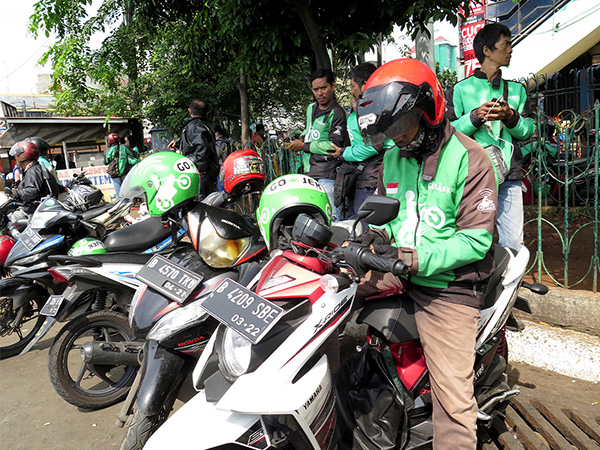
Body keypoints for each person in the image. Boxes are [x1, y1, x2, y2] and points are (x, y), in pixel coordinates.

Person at [355, 58, 498, 449]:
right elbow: (385, 214)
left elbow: (475, 241)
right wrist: (367, 237)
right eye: (390, 131)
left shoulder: (472, 159)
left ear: (429, 109)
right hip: (397, 265)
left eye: (402, 126)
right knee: (321, 300)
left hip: (448, 285)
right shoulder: (392, 157)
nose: (397, 139)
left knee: (453, 399)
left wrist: (416, 258)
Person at [445, 22, 535, 251]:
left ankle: (509, 286)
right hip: (473, 176)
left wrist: (510, 116)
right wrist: (475, 117)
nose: (510, 49)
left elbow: (528, 130)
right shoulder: (460, 89)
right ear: (487, 50)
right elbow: (448, 132)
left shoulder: (517, 91)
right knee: (471, 239)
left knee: (513, 243)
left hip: (509, 176)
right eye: (505, 44)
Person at [330, 63, 394, 219]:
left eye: (353, 86)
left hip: (373, 176)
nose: (352, 91)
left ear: (365, 84)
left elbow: (371, 146)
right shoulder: (377, 106)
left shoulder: (375, 108)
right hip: (369, 174)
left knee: (363, 221)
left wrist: (343, 153)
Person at [288, 68, 349, 221]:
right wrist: (301, 140)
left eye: (324, 87)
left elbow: (333, 146)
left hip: (328, 175)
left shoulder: (337, 113)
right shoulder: (311, 108)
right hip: (309, 173)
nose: (320, 93)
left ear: (333, 86)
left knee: (332, 219)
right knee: (313, 220)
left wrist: (304, 146)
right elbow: (309, 131)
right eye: (316, 89)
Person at [168, 98, 219, 199]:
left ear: (189, 111)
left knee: (199, 209)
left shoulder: (194, 126)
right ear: (207, 113)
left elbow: (201, 153)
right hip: (206, 175)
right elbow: (198, 144)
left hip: (199, 176)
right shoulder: (204, 125)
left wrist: (186, 165)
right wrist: (179, 142)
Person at [7, 141, 65, 214]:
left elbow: (33, 192)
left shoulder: (33, 171)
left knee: (13, 218)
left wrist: (15, 193)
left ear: (21, 154)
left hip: (36, 211)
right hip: (44, 208)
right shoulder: (37, 168)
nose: (15, 157)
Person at [104, 132, 138, 197]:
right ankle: (128, 204)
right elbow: (135, 154)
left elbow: (106, 162)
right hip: (125, 173)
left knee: (119, 193)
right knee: (127, 192)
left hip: (115, 174)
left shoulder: (108, 151)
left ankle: (123, 204)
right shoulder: (125, 147)